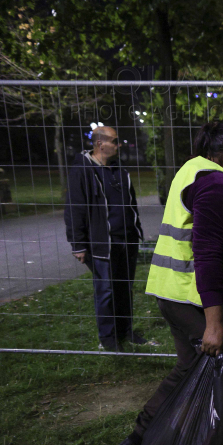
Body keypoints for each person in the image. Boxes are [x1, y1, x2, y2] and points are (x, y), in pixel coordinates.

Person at [115, 121, 223, 445]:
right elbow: (207, 253)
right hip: (197, 301)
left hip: (176, 294)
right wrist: (214, 323)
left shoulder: (195, 169)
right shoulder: (217, 185)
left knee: (190, 370)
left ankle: (141, 439)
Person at [64, 126, 153, 351]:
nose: (119, 144)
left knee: (124, 288)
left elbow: (130, 204)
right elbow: (75, 209)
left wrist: (136, 230)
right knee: (106, 291)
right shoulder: (81, 171)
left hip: (127, 240)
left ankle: (125, 331)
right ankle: (108, 339)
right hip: (102, 244)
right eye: (115, 141)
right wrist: (78, 245)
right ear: (100, 144)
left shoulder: (119, 170)